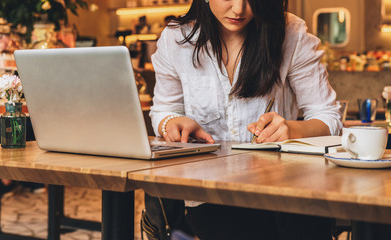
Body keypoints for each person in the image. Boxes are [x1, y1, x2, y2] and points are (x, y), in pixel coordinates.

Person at [146, 0, 342, 239]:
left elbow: (328, 116)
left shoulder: (290, 32)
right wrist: (171, 122)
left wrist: (291, 130)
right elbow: (163, 110)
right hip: (209, 196)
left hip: (288, 196)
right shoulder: (177, 39)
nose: (239, 9)